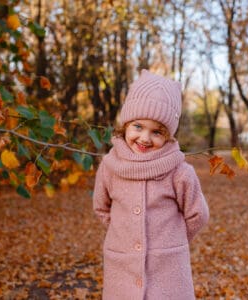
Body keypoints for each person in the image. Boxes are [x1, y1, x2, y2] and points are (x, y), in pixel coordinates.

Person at [93, 69, 209, 299]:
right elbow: (101, 207)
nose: (145, 138)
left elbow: (198, 214)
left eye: (156, 132)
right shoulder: (110, 166)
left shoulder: (179, 171)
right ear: (125, 124)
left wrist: (172, 241)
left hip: (167, 270)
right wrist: (123, 233)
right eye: (138, 126)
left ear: (168, 136)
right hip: (121, 264)